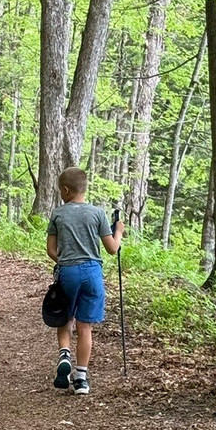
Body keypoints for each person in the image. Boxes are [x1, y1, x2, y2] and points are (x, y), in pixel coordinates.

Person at [46, 166, 123, 395]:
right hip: (92, 273)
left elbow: (51, 250)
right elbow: (112, 248)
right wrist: (117, 230)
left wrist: (66, 260)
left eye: (60, 190)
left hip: (68, 271)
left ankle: (64, 356)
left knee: (64, 319)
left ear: (66, 190)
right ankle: (81, 379)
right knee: (85, 326)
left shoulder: (58, 214)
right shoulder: (97, 213)